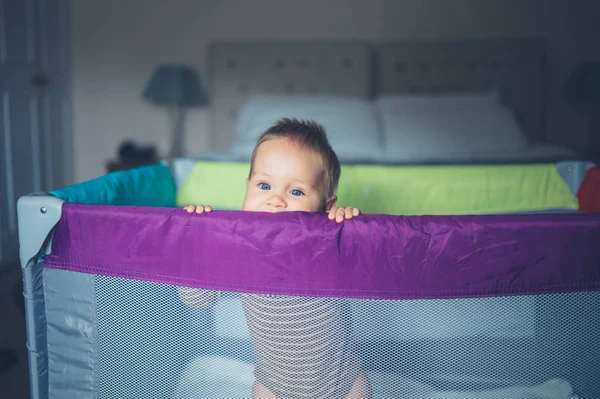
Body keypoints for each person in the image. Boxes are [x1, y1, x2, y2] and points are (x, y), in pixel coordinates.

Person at [179, 118, 372, 399]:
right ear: (247, 187)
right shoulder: (238, 248)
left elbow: (370, 269)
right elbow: (197, 300)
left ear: (326, 205)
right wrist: (196, 242)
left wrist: (351, 229)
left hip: (342, 383)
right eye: (264, 186)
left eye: (295, 191)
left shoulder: (329, 243)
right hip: (275, 387)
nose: (276, 200)